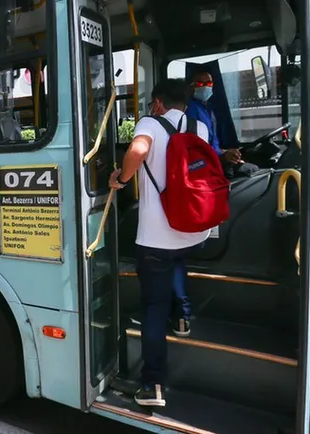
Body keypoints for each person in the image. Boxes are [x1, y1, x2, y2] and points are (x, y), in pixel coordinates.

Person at [109, 79, 212, 408]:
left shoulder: (150, 123)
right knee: (177, 260)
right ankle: (182, 317)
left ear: (157, 103)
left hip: (156, 237)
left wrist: (122, 179)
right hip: (194, 230)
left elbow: (137, 151)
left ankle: (152, 383)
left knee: (153, 307)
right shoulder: (199, 127)